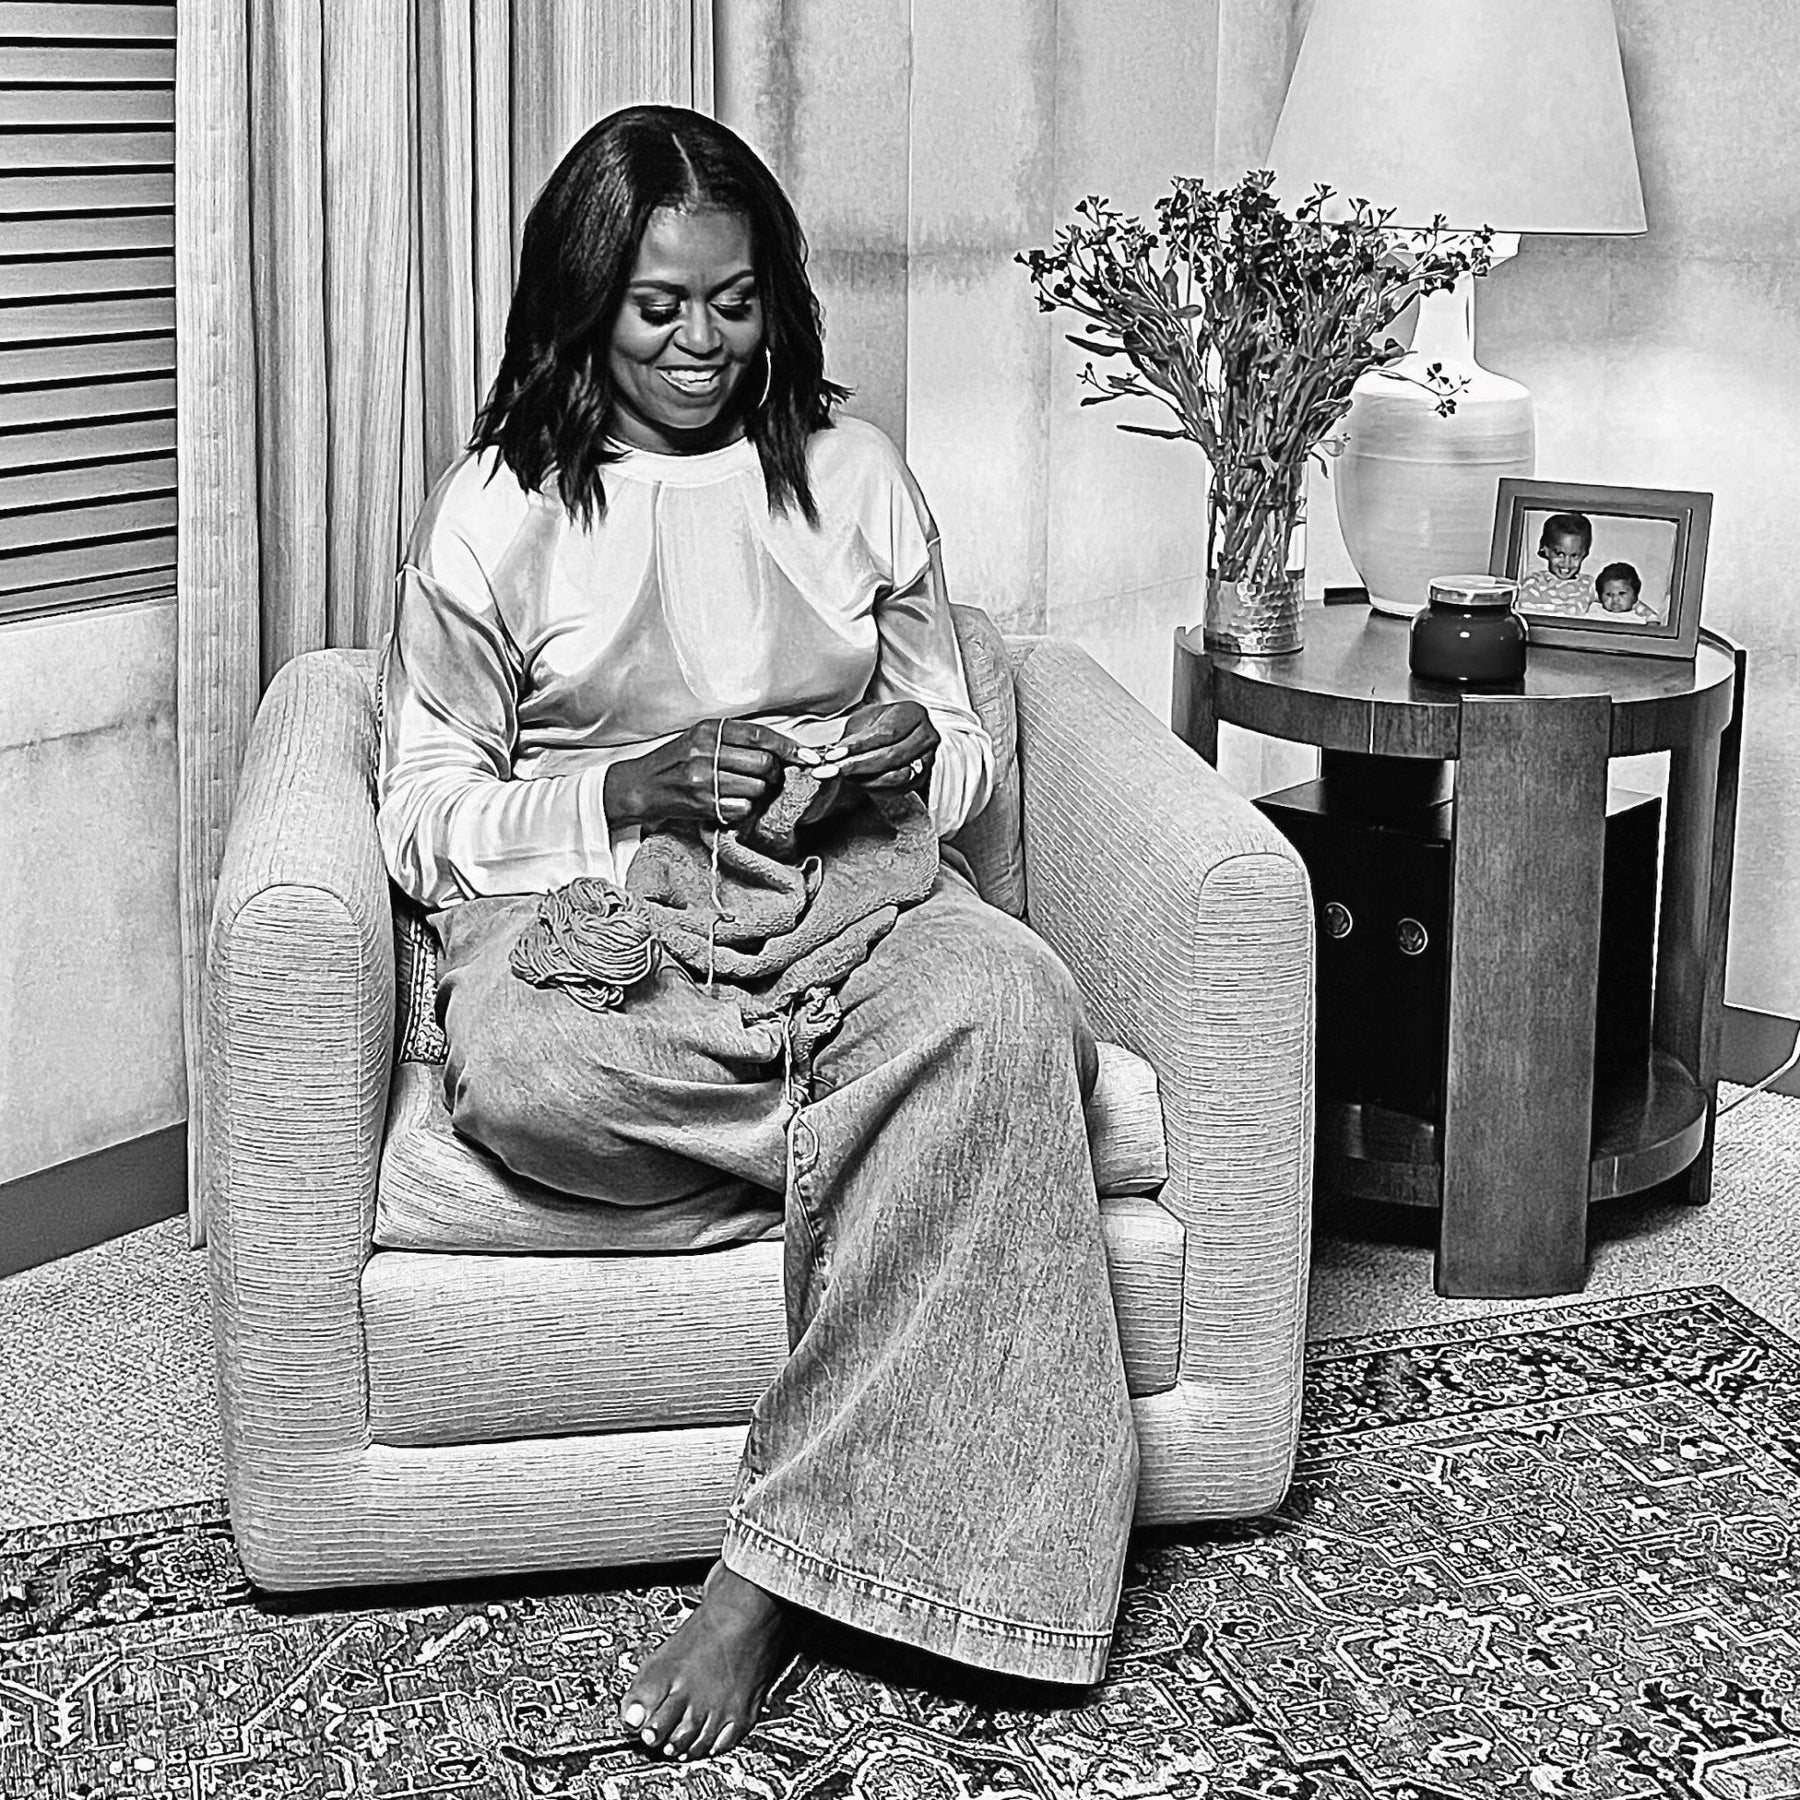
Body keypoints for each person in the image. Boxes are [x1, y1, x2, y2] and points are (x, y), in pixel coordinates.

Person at [375, 106, 1137, 1764]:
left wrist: (918, 752)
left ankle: (769, 1580)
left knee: (1012, 1004)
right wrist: (627, 791)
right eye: (658, 308)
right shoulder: (496, 507)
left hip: (848, 882)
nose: (702, 344)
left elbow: (964, 740)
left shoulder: (856, 476)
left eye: (734, 303)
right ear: (584, 305)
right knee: (527, 1071)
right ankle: (918, 1142)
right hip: (599, 913)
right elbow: (421, 809)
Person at [1519, 511, 1596, 615]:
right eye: (1560, 554)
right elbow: (1526, 612)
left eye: (1574, 555)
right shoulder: (1534, 582)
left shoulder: (1588, 584)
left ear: (1584, 554)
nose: (1567, 563)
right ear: (1546, 550)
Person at [1588, 560, 1661, 623]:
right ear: (1600, 597)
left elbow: (1653, 620)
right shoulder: (1595, 610)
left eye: (1622, 593)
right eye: (1609, 594)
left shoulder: (1640, 617)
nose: (1615, 599)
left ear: (1635, 596)